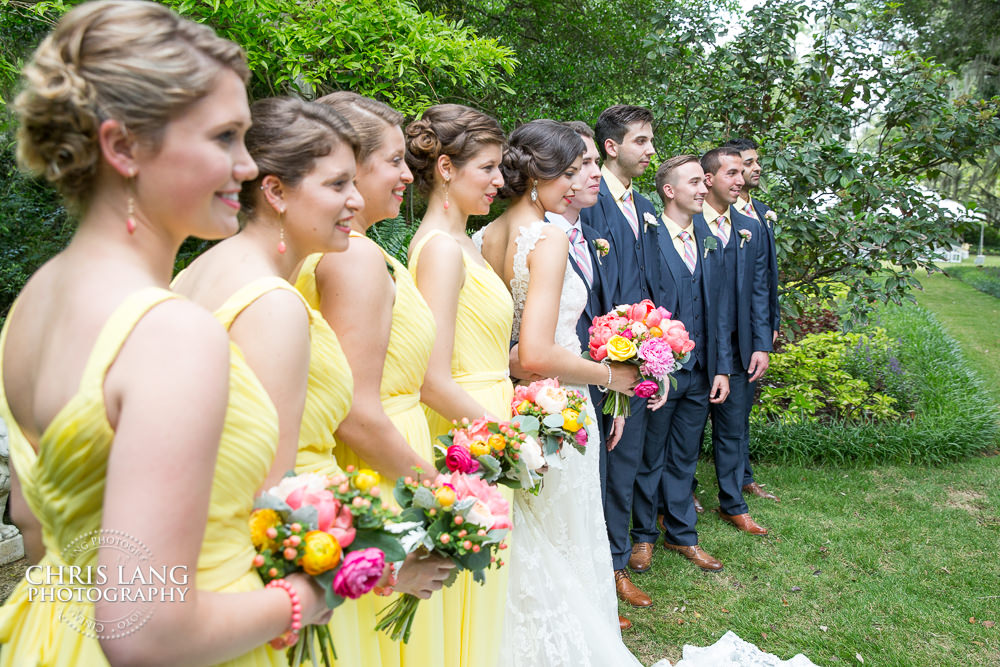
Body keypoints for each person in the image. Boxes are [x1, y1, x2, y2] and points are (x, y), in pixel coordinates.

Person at [0, 3, 330, 665]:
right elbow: (148, 633)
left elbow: (35, 525)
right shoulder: (169, 333)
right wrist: (309, 595)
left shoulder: (34, 300)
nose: (246, 165)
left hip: (50, 636)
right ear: (123, 147)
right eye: (224, 138)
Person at [475, 120, 642, 666]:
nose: (576, 185)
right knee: (566, 536)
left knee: (527, 539)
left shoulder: (483, 236)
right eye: (568, 173)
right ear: (537, 178)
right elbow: (538, 353)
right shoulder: (548, 237)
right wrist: (610, 377)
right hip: (557, 404)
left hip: (503, 404)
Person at [303, 91, 454, 666]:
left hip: (388, 461)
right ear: (348, 165)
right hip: (380, 470)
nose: (405, 173)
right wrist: (442, 495)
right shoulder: (354, 259)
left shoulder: (360, 251)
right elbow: (354, 409)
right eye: (392, 160)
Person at [405, 103, 511, 667]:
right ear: (446, 168)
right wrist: (504, 438)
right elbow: (429, 376)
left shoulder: (461, 241)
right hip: (464, 431)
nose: (499, 181)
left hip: (484, 420)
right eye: (487, 168)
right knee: (460, 583)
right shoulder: (442, 251)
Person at [578, 104, 663, 608]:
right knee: (605, 465)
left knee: (625, 461)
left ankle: (615, 558)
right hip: (597, 354)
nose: (651, 151)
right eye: (642, 141)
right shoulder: (588, 204)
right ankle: (606, 567)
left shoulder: (645, 205)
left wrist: (655, 351)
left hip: (638, 351)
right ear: (612, 147)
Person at [635, 155, 732, 576]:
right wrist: (651, 371)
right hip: (663, 372)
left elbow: (721, 309)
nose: (703, 189)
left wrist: (722, 368)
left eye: (704, 182)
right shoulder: (649, 241)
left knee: (684, 457)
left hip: (701, 373)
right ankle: (641, 536)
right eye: (694, 182)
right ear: (669, 191)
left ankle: (682, 533)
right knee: (649, 454)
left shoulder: (710, 241)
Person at [694, 147, 771, 539]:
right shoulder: (687, 224)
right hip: (695, 347)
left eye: (743, 173)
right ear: (709, 179)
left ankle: (733, 504)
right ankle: (681, 494)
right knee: (686, 430)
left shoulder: (750, 228)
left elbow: (760, 290)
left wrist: (761, 344)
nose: (741, 179)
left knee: (733, 428)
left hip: (741, 349)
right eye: (732, 173)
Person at [724, 137, 781, 503]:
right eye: (748, 162)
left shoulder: (760, 212)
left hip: (754, 327)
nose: (756, 168)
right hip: (725, 328)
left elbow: (766, 279)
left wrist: (769, 326)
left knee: (742, 410)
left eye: (756, 161)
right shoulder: (717, 215)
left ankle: (744, 476)